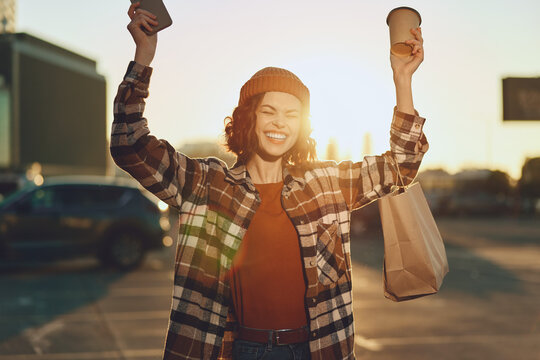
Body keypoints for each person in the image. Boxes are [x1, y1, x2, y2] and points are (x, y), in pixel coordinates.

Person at [110, 2, 428, 359]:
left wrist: (403, 78)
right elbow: (129, 144)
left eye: (292, 114)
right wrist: (144, 55)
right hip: (238, 350)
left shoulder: (324, 185)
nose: (280, 123)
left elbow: (402, 165)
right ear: (248, 118)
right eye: (269, 111)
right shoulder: (207, 184)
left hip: (317, 349)